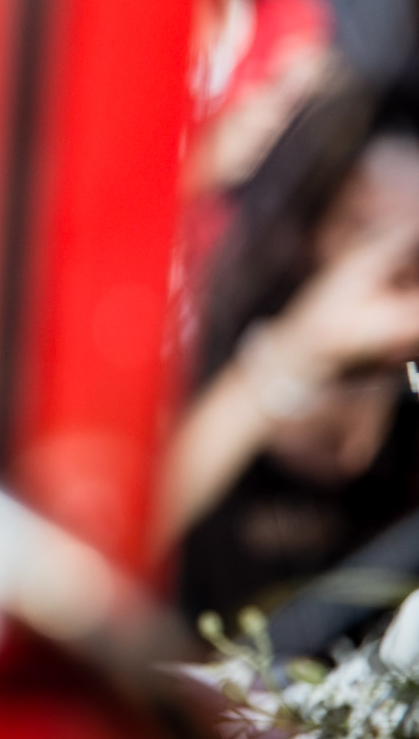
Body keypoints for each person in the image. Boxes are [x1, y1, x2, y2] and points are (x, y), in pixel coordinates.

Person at [160, 76, 419, 624]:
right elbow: (124, 533)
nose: (390, 279)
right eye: (367, 234)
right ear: (311, 228)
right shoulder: (208, 376)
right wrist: (294, 357)